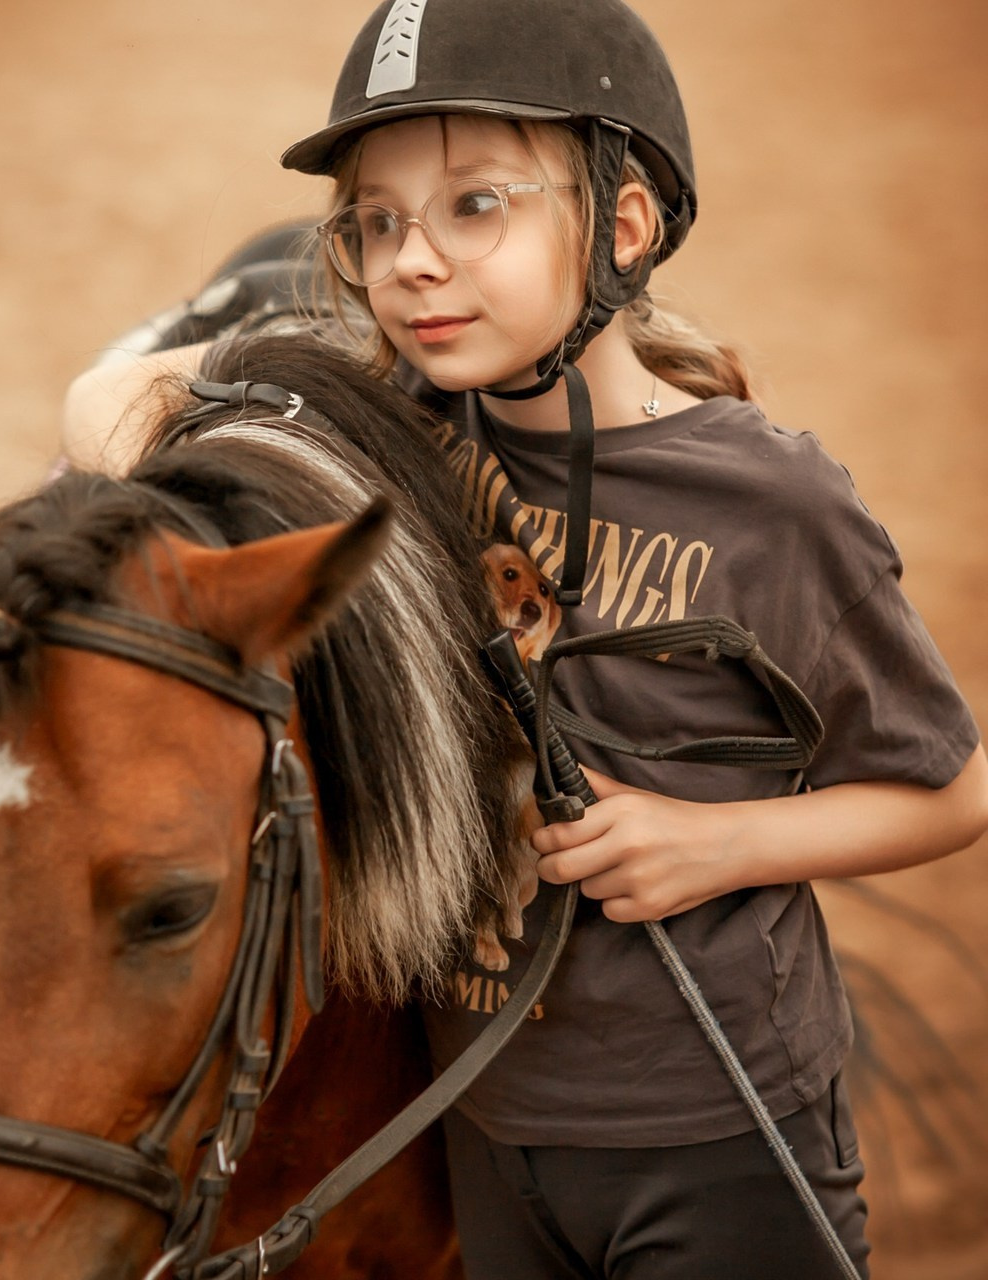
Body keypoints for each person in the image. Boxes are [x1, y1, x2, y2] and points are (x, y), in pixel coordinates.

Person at [62, 2, 988, 1276]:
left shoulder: (773, 502)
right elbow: (106, 397)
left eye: (473, 206)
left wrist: (715, 841)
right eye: (375, 223)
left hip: (714, 1123)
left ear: (620, 225)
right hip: (482, 1119)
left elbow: (944, 791)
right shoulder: (402, 441)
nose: (411, 263)